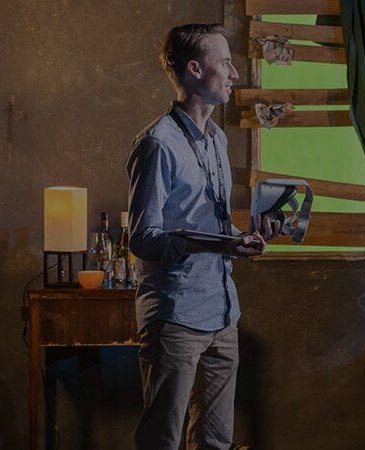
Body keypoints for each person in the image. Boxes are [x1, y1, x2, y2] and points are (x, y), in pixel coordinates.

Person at [126, 23, 268, 450]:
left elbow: (212, 227)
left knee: (215, 442)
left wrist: (244, 238)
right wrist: (218, 244)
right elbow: (143, 238)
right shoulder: (156, 144)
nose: (234, 73)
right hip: (176, 317)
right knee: (162, 440)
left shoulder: (217, 139)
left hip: (223, 312)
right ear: (194, 69)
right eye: (224, 62)